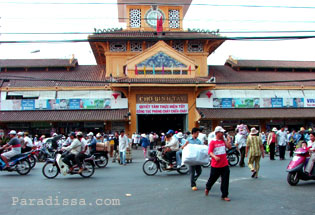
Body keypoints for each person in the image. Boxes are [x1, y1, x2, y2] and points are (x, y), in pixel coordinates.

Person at [205, 126, 232, 201]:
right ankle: (208, 187)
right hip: (216, 165)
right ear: (217, 133)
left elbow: (229, 147)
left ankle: (224, 195)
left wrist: (225, 140)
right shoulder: (213, 142)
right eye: (221, 132)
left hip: (224, 164)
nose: (222, 134)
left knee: (225, 180)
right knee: (212, 178)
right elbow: (210, 152)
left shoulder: (223, 140)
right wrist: (215, 157)